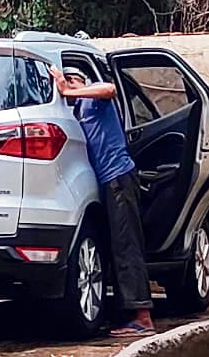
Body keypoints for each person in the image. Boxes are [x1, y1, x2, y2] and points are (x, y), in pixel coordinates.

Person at [56, 66, 153, 336]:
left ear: (80, 81)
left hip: (119, 178)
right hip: (107, 183)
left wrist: (69, 90)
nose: (68, 86)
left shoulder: (94, 99)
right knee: (116, 247)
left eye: (72, 81)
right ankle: (127, 314)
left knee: (127, 245)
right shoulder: (78, 112)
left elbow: (109, 89)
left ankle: (143, 318)